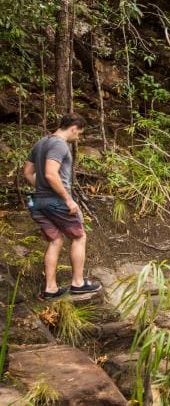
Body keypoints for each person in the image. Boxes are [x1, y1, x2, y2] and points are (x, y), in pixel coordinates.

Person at [23, 113, 101, 300]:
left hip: (39, 201)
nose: (78, 138)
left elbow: (27, 173)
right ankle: (78, 283)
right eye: (79, 134)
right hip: (57, 201)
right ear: (74, 128)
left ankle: (50, 288)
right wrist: (67, 199)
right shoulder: (59, 144)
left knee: (55, 241)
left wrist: (42, 190)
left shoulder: (41, 143)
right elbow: (51, 174)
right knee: (79, 236)